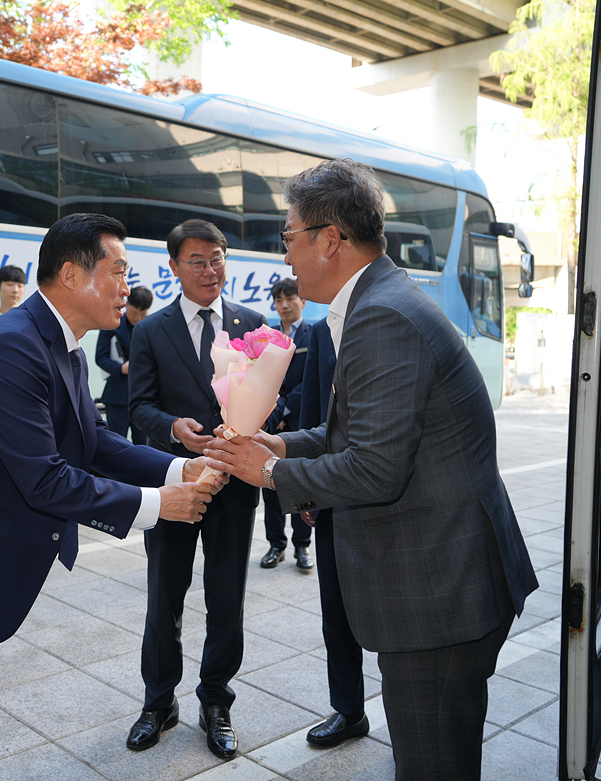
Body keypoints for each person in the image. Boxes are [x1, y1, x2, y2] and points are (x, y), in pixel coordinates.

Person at [205, 159, 538, 781]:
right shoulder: (378, 301)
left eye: (290, 237)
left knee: (432, 764)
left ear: (331, 239)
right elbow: (353, 434)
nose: (286, 256)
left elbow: (377, 468)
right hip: (439, 579)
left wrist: (270, 474)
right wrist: (279, 446)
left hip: (437, 592)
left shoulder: (382, 317)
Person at [0, 213, 221, 781]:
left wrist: (179, 467)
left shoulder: (62, 345)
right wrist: (159, 505)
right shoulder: (12, 345)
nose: (128, 287)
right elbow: (45, 478)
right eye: (118, 272)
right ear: (71, 275)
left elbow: (93, 441)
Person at [126, 219, 271, 760]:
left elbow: (270, 395)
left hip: (234, 484)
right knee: (164, 595)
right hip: (175, 482)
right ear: (174, 267)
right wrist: (173, 428)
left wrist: (254, 421)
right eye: (197, 261)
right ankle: (158, 701)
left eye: (217, 259)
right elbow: (137, 406)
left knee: (226, 598)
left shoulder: (252, 325)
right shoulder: (151, 330)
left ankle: (216, 701)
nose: (210, 270)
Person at [296, 315, 370, 749]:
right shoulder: (321, 331)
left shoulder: (388, 315)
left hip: (388, 493)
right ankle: (348, 709)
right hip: (333, 494)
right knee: (336, 612)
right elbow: (313, 410)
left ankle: (409, 708)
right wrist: (306, 488)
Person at [258, 277, 313, 571]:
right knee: (270, 483)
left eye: (290, 298)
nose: (284, 305)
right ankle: (275, 544)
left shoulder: (313, 335)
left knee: (302, 484)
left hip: (301, 422)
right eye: (279, 300)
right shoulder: (268, 337)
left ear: (302, 301)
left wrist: (285, 409)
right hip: (272, 422)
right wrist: (271, 413)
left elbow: (310, 381)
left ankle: (302, 546)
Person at [94, 285, 152, 445]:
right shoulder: (112, 323)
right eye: (134, 313)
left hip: (144, 396)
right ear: (127, 305)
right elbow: (100, 357)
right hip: (117, 395)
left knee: (144, 445)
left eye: (143, 314)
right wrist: (121, 368)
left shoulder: (151, 326)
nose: (138, 318)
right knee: (116, 444)